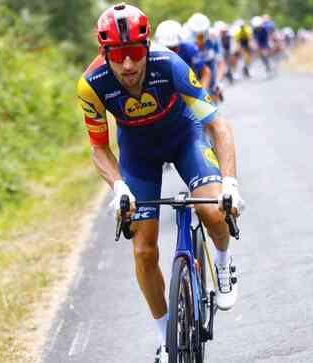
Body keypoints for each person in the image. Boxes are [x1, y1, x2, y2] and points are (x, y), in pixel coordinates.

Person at [76, 3, 245, 362]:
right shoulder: (91, 85)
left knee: (213, 211)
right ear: (104, 53)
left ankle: (224, 260)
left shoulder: (169, 63)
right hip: (138, 154)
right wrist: (119, 187)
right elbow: (99, 148)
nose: (128, 66)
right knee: (143, 249)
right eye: (118, 55)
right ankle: (164, 336)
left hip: (186, 137)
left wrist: (230, 183)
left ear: (146, 45)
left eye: (135, 53)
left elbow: (218, 125)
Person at [154, 19, 210, 89]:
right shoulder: (152, 53)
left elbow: (205, 72)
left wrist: (203, 94)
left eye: (174, 48)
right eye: (166, 48)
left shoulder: (190, 49)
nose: (170, 52)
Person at [186, 13, 225, 103]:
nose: (200, 40)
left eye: (202, 36)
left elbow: (220, 62)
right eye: (197, 36)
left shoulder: (213, 38)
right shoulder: (187, 41)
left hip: (210, 65)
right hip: (192, 68)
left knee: (214, 89)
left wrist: (218, 82)